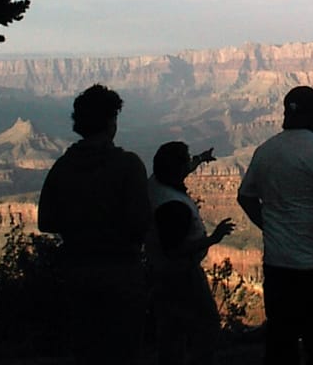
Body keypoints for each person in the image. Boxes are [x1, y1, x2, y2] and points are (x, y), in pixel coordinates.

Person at [38, 84, 151, 365]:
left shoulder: (63, 166)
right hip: (122, 272)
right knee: (124, 351)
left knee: (87, 350)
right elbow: (141, 223)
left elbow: (45, 221)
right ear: (111, 122)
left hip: (76, 272)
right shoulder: (128, 165)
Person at [237, 86, 313, 365]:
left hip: (278, 267)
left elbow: (245, 196)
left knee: (281, 342)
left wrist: (269, 225)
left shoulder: (265, 150)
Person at [145, 141, 235, 365]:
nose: (189, 164)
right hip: (181, 274)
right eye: (187, 160)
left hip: (159, 271)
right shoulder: (173, 205)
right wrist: (213, 239)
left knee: (170, 330)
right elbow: (175, 250)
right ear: (177, 169)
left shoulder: (155, 182)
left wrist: (200, 159)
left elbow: (180, 168)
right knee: (207, 325)